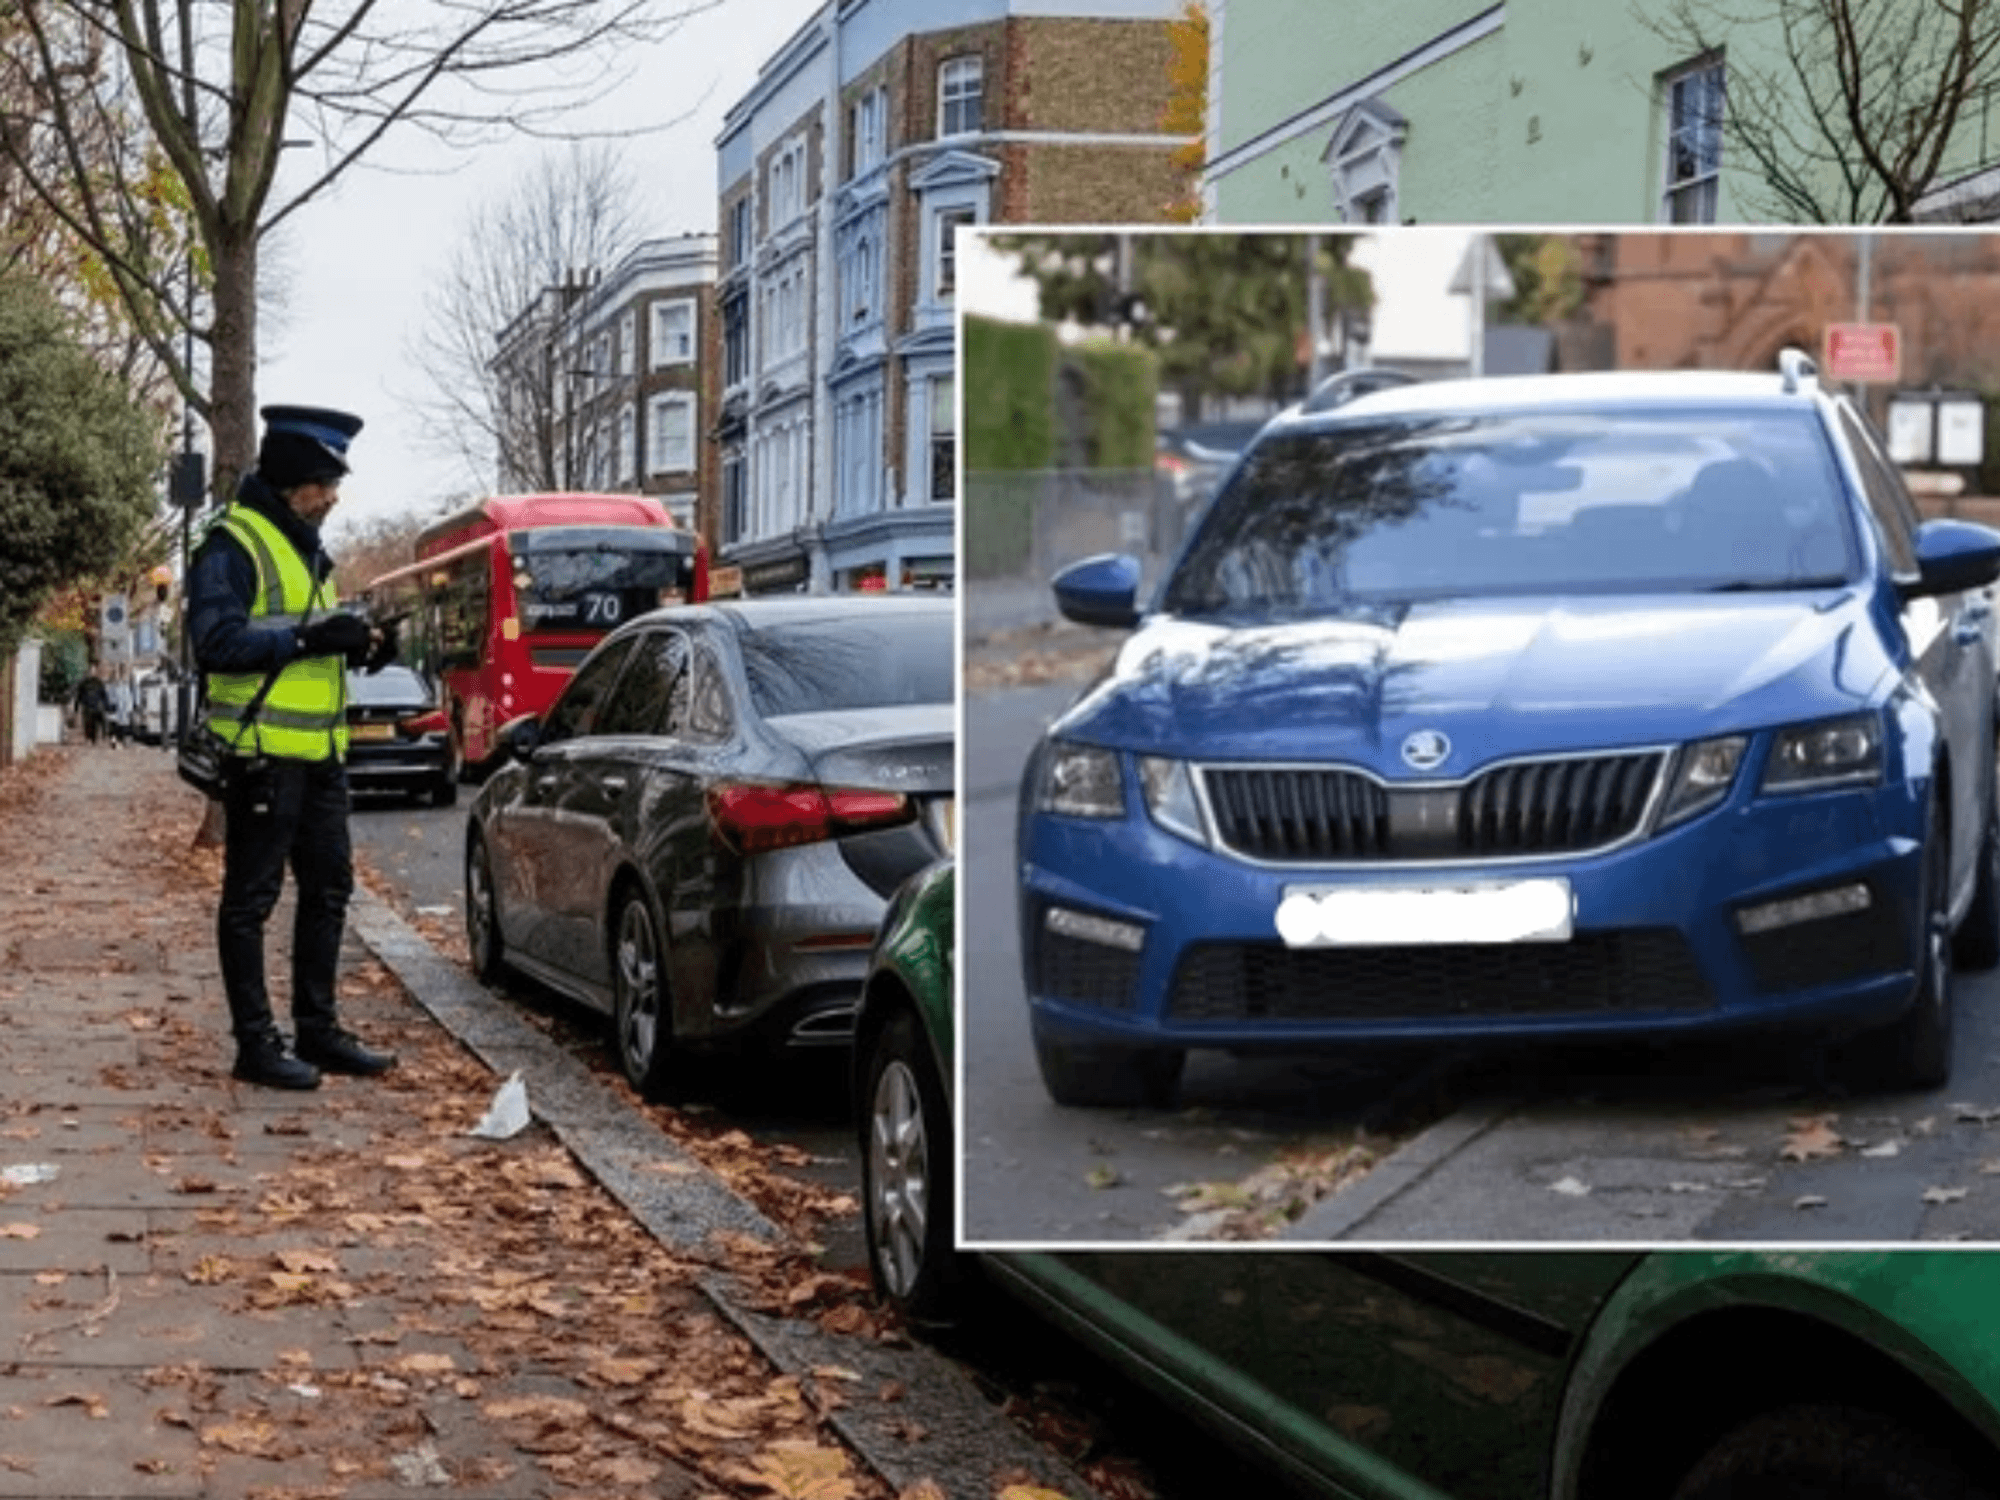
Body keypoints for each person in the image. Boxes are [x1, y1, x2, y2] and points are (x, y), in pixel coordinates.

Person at [188, 404, 398, 1090]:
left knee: (330, 889)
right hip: (261, 754)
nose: (332, 496)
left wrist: (359, 647)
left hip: (317, 756)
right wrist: (311, 639)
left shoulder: (307, 544)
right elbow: (216, 646)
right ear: (286, 479)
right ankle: (256, 1044)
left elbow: (304, 640)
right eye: (322, 482)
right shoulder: (232, 543)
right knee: (251, 899)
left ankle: (318, 1029)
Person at [73, 669, 109, 744]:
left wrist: (106, 705)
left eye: (93, 671)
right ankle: (89, 739)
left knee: (96, 724)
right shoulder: (83, 683)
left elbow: (104, 695)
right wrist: (76, 708)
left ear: (95, 672)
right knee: (88, 724)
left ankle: (95, 739)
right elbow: (78, 696)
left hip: (96, 706)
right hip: (87, 707)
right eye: (90, 671)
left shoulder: (99, 682)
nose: (91, 672)